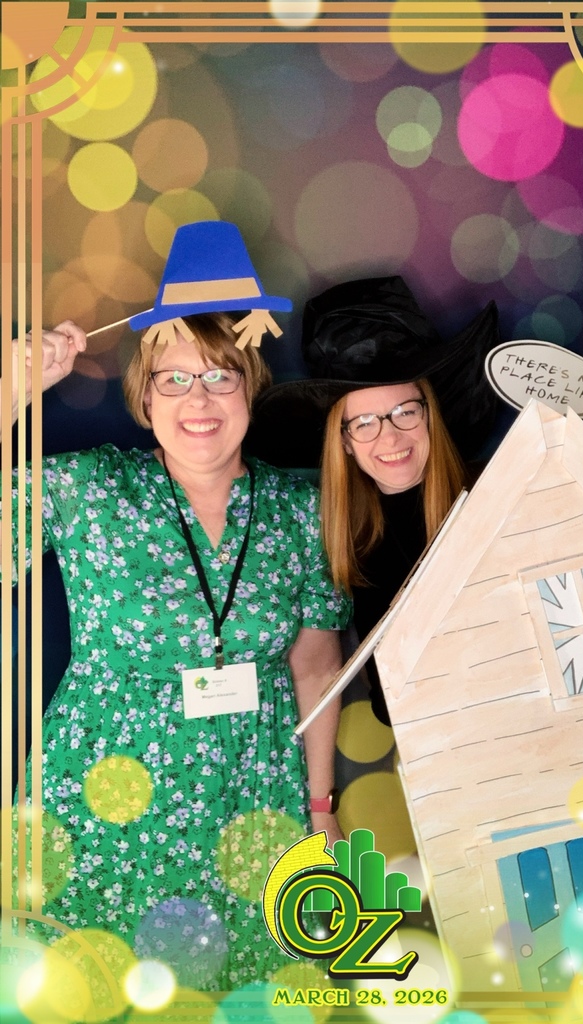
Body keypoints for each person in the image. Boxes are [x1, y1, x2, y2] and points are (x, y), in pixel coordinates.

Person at [2, 222, 350, 993]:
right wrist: (13, 395)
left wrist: (320, 812)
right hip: (102, 806)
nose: (199, 401)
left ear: (250, 387)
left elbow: (316, 665)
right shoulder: (89, 490)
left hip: (252, 806)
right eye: (174, 379)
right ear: (144, 395)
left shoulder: (302, 507)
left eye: (220, 377)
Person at [249, 276, 500, 724]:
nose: (390, 436)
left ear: (430, 414)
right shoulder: (347, 540)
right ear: (343, 441)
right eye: (364, 422)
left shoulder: (495, 496)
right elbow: (389, 700)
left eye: (405, 411)